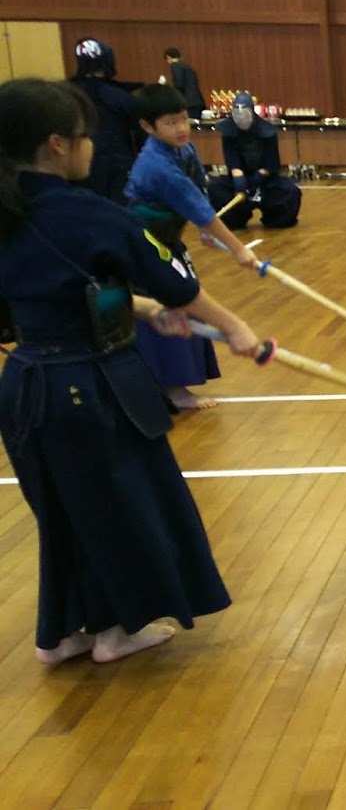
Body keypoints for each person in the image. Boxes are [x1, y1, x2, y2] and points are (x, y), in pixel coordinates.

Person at [0, 77, 259, 665]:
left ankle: (66, 632)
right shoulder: (85, 212)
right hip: (89, 389)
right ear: (58, 146)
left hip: (25, 386)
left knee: (63, 510)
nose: (92, 147)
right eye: (85, 136)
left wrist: (138, 309)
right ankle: (119, 629)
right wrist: (237, 328)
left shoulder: (10, 211)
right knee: (123, 506)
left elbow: (51, 299)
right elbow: (178, 283)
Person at [125, 84, 259, 410]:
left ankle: (178, 386)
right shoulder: (155, 165)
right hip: (142, 245)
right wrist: (238, 249)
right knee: (169, 306)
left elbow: (198, 194)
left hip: (168, 239)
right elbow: (198, 208)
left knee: (187, 296)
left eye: (184, 119)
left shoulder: (184, 150)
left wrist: (204, 232)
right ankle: (173, 390)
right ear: (147, 126)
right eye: (170, 123)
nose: (181, 128)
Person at [206, 92, 301, 229]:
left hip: (265, 180)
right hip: (239, 180)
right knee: (215, 188)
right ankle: (238, 217)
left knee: (290, 191)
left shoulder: (268, 133)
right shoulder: (229, 133)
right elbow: (232, 161)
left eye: (244, 114)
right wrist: (240, 182)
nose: (241, 118)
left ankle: (273, 218)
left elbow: (271, 162)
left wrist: (258, 178)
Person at [68, 37, 144, 204]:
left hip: (73, 162)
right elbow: (140, 132)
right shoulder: (121, 96)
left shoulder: (65, 94)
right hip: (116, 165)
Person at [163, 48, 205, 118]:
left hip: (187, 103)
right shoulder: (187, 66)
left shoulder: (175, 66)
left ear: (168, 57)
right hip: (197, 101)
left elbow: (179, 84)